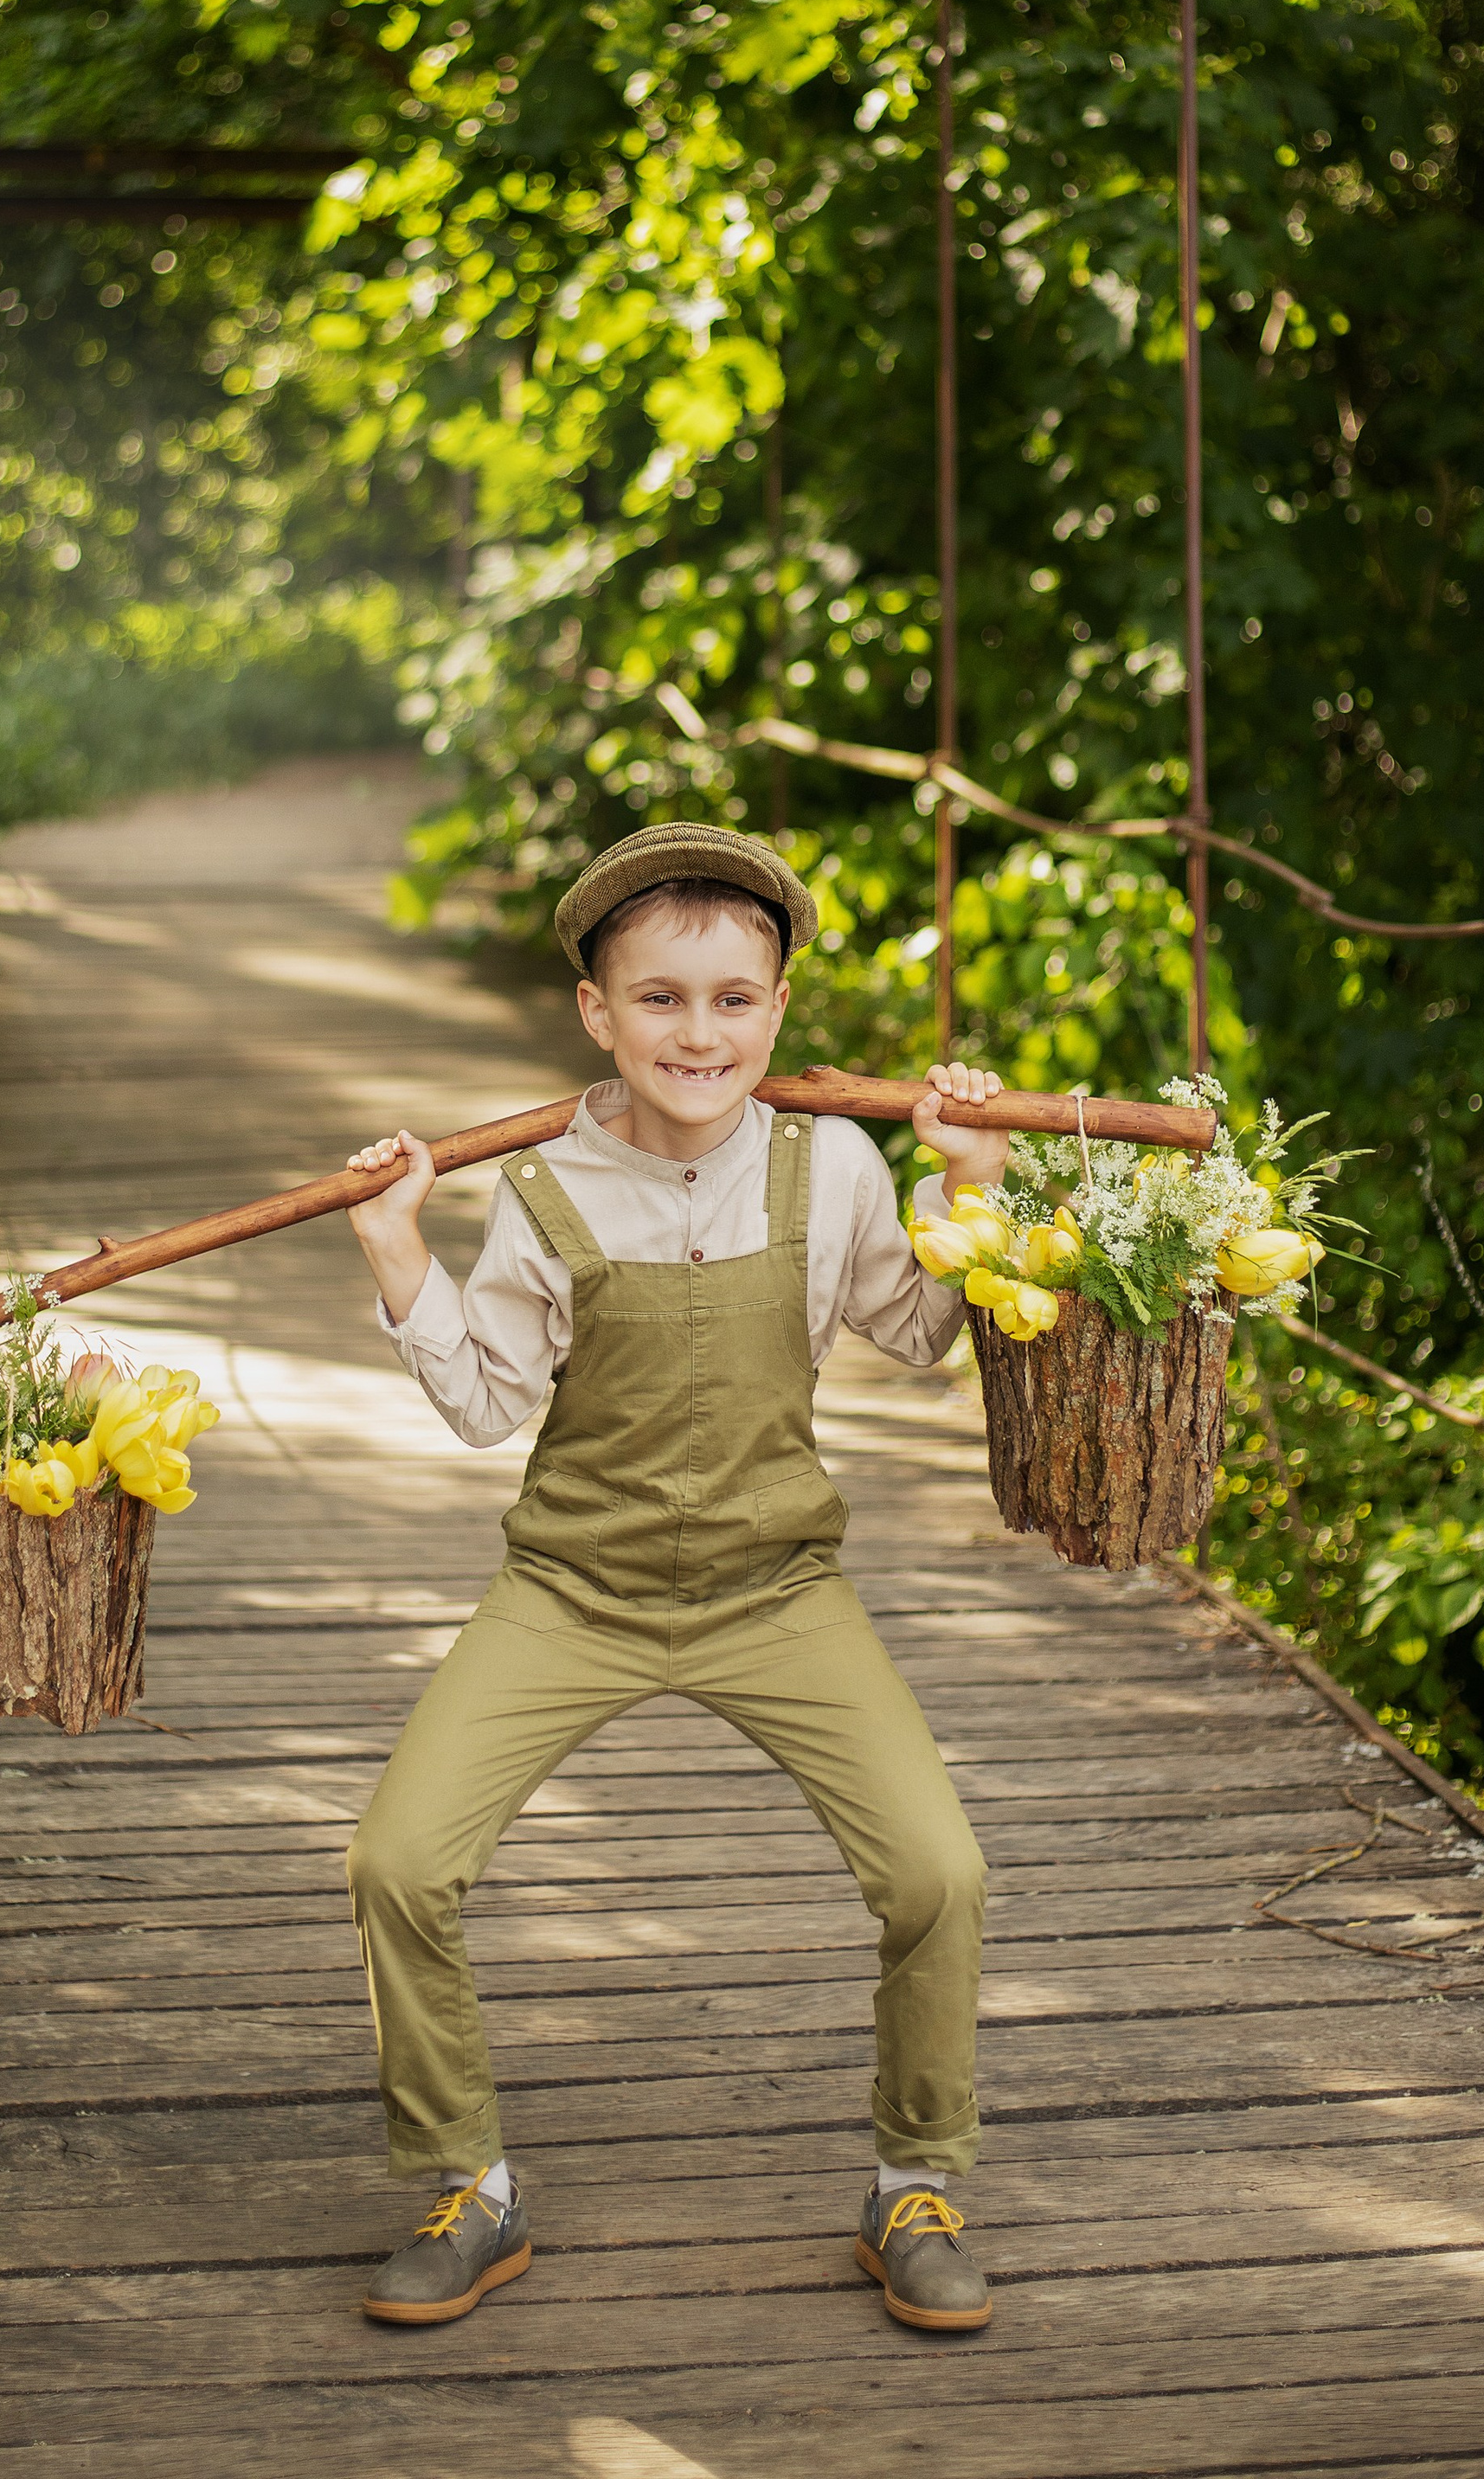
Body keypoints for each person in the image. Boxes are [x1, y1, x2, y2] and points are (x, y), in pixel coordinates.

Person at [340, 819, 1005, 2334]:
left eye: (731, 1000)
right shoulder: (543, 1188)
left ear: (778, 1012)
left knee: (939, 1872)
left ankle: (916, 2182)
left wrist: (971, 1177)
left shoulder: (829, 1161)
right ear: (597, 1012)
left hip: (779, 1589)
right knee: (397, 1862)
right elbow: (493, 1401)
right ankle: (471, 2187)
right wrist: (399, 1252)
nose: (696, 1034)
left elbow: (917, 1329)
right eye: (659, 1000)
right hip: (573, 1587)